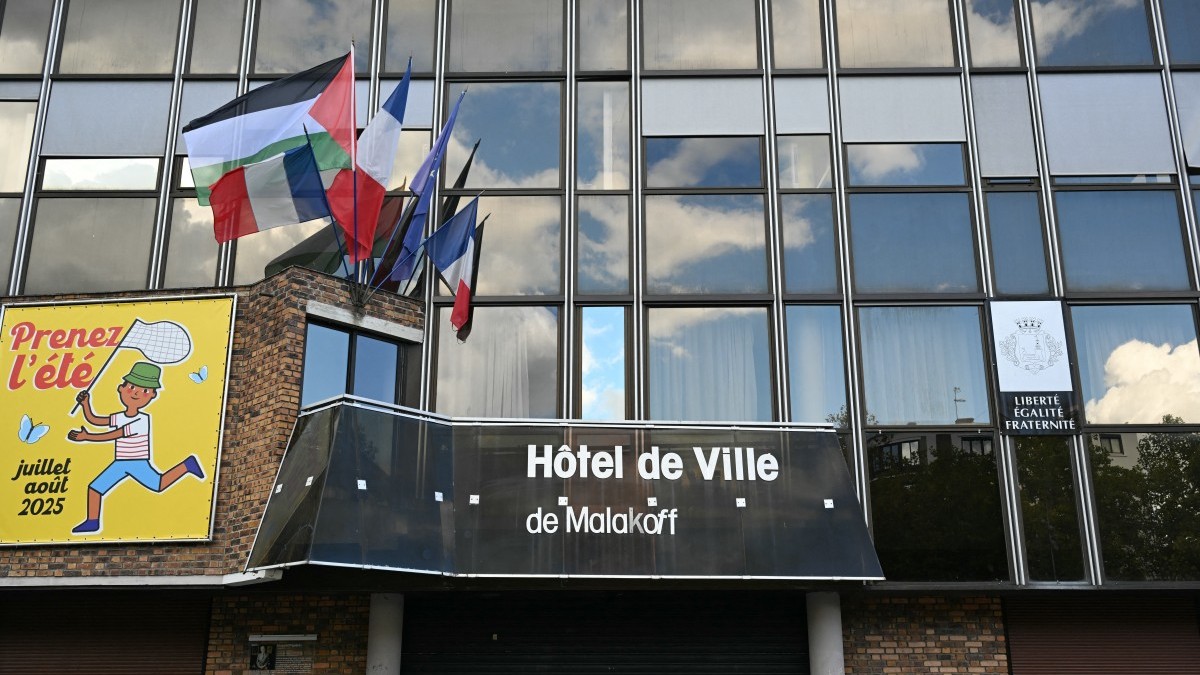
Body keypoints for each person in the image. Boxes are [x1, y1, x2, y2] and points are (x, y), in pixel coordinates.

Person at [67, 362, 204, 534]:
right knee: (95, 488)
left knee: (158, 485)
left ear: (152, 395)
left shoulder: (141, 420)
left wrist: (87, 437)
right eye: (131, 387)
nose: (136, 393)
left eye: (145, 390)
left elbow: (114, 435)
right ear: (121, 388)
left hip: (137, 462)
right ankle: (92, 521)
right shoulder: (120, 416)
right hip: (120, 462)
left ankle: (187, 465)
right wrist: (86, 404)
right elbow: (95, 420)